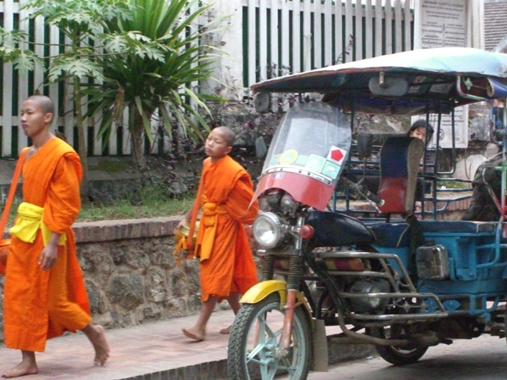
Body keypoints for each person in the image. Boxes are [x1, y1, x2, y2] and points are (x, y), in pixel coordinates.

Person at [2, 95, 110, 378]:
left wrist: (52, 243)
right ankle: (28, 361)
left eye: (30, 112)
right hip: (25, 234)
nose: (24, 118)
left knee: (56, 301)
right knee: (18, 297)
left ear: (47, 117)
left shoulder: (60, 153)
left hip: (50, 236)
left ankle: (93, 332)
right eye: (22, 113)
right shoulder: (28, 154)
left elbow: (66, 202)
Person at [174, 126, 259, 341]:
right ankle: (242, 320)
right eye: (209, 138)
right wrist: (187, 219)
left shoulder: (234, 171)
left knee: (213, 274)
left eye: (217, 141)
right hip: (209, 225)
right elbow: (202, 195)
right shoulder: (206, 164)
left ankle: (200, 327)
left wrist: (249, 226)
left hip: (226, 228)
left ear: (228, 149)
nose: (210, 143)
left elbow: (249, 206)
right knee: (225, 278)